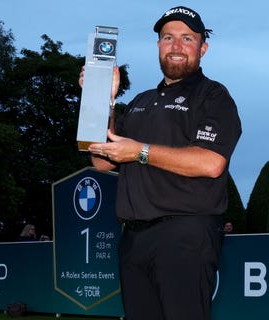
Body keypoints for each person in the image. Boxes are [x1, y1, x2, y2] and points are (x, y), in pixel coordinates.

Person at [81, 6, 241, 320]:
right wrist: (102, 100)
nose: (176, 46)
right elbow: (100, 159)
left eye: (187, 38)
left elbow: (211, 163)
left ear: (202, 48)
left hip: (186, 235)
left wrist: (139, 151)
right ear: (158, 45)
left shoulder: (213, 96)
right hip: (134, 239)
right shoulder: (141, 102)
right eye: (168, 37)